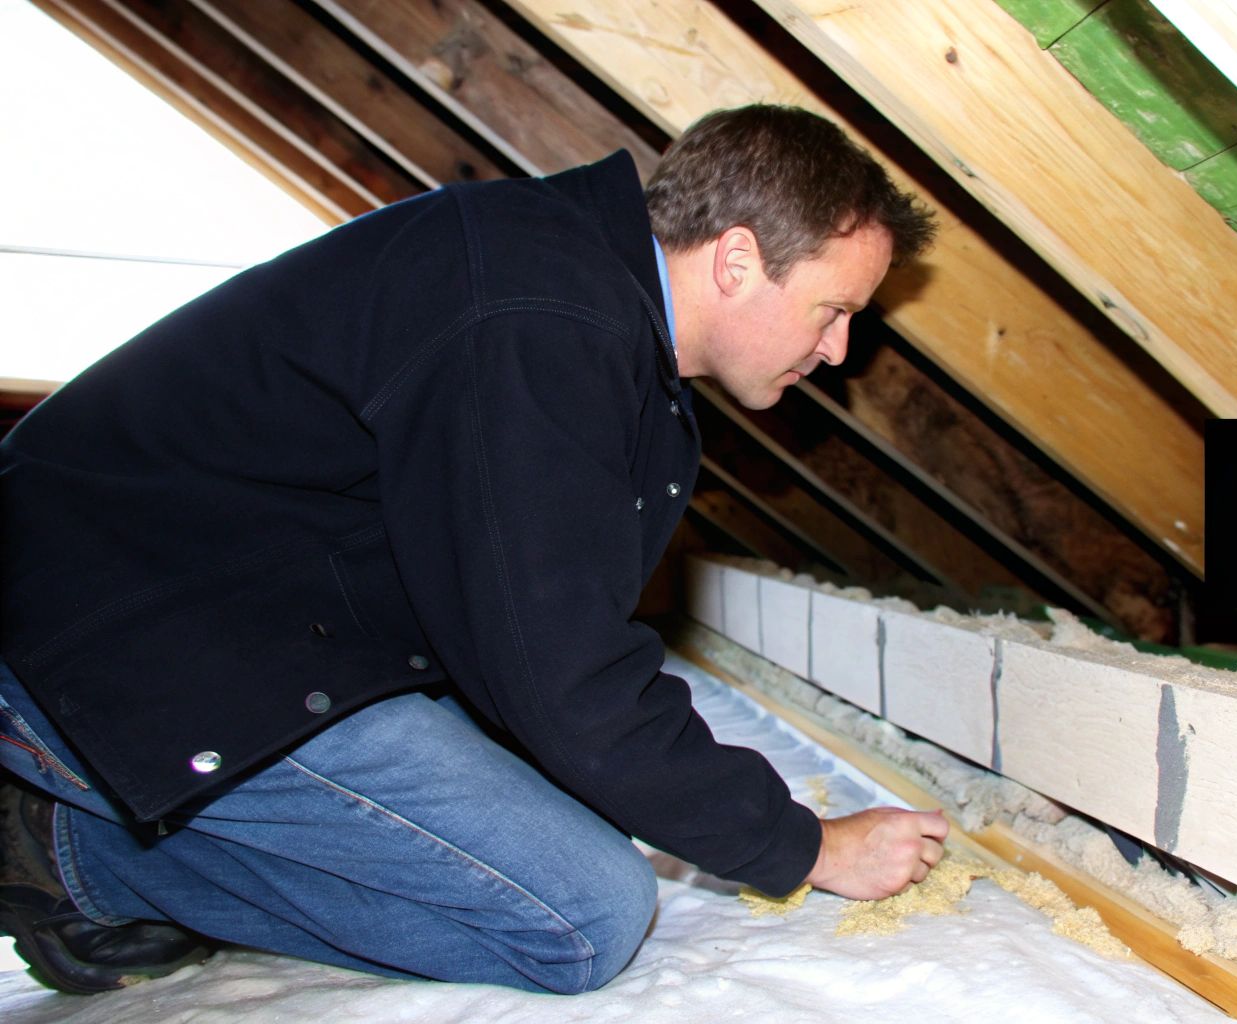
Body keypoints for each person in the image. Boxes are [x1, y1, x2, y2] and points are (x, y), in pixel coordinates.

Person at [0, 104, 947, 995]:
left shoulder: (585, 307)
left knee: (571, 818)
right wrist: (807, 847)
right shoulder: (540, 316)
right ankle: (61, 848)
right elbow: (558, 665)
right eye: (833, 309)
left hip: (221, 606)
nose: (837, 350)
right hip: (106, 627)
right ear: (737, 259)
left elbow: (502, 624)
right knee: (583, 913)